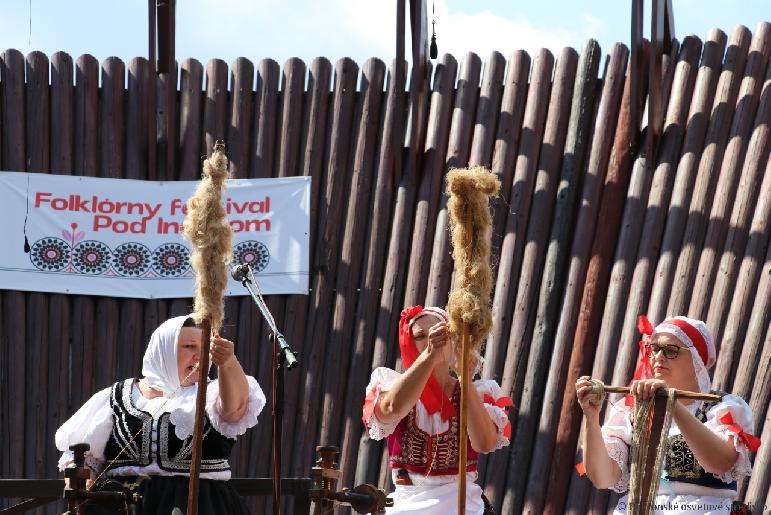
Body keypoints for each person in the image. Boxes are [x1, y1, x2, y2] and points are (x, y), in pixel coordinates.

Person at [55, 315, 266, 514]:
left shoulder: (211, 394)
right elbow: (81, 457)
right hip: (123, 506)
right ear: (163, 348)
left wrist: (228, 363)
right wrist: (85, 488)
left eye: (204, 348)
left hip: (198, 504)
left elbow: (234, 411)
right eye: (189, 346)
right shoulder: (117, 396)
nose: (199, 355)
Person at [575, 316, 761, 515]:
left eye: (670, 350)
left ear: (696, 358)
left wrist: (670, 402)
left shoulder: (721, 407)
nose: (658, 357)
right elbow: (602, 478)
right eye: (654, 349)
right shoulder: (630, 411)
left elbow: (720, 462)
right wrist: (591, 419)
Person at [362, 305, 512, 514]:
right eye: (420, 336)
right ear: (409, 343)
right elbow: (391, 409)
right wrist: (430, 355)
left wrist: (466, 380)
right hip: (407, 503)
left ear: (453, 342)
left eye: (442, 334)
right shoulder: (391, 385)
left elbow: (485, 443)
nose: (432, 340)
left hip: (464, 506)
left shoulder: (476, 392)